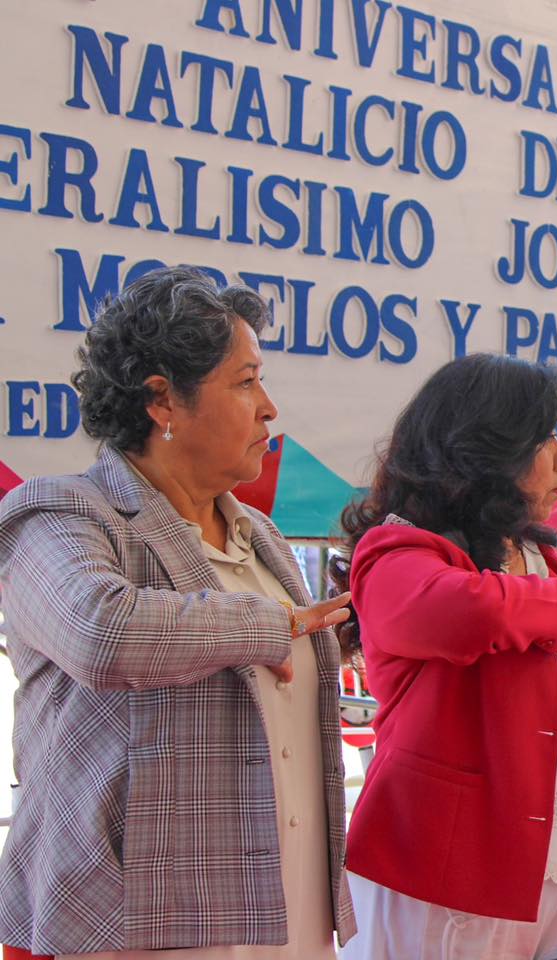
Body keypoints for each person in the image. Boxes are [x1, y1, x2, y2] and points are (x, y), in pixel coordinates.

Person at [0, 267, 355, 958]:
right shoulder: (61, 513)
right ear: (162, 401)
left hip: (286, 913)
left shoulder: (262, 535)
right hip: (135, 929)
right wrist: (267, 625)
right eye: (245, 382)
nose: (269, 407)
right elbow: (101, 631)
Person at [337, 354, 557, 960]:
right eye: (546, 439)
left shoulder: (538, 556)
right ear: (490, 452)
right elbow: (470, 614)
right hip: (453, 870)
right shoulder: (396, 553)